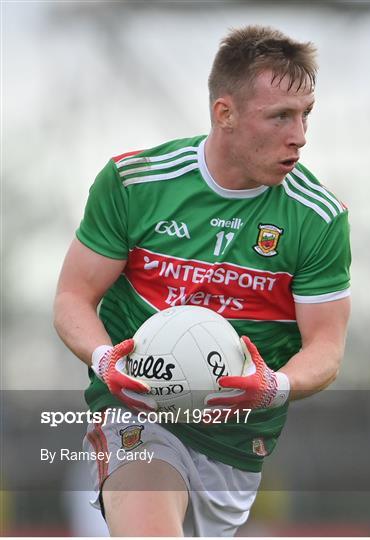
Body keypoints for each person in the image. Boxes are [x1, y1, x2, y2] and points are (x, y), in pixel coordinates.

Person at [54, 25, 351, 537]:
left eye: (306, 115)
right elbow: (73, 296)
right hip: (136, 412)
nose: (299, 134)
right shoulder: (136, 183)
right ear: (225, 113)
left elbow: (326, 346)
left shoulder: (318, 217)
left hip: (235, 442)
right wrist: (106, 361)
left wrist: (272, 386)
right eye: (280, 115)